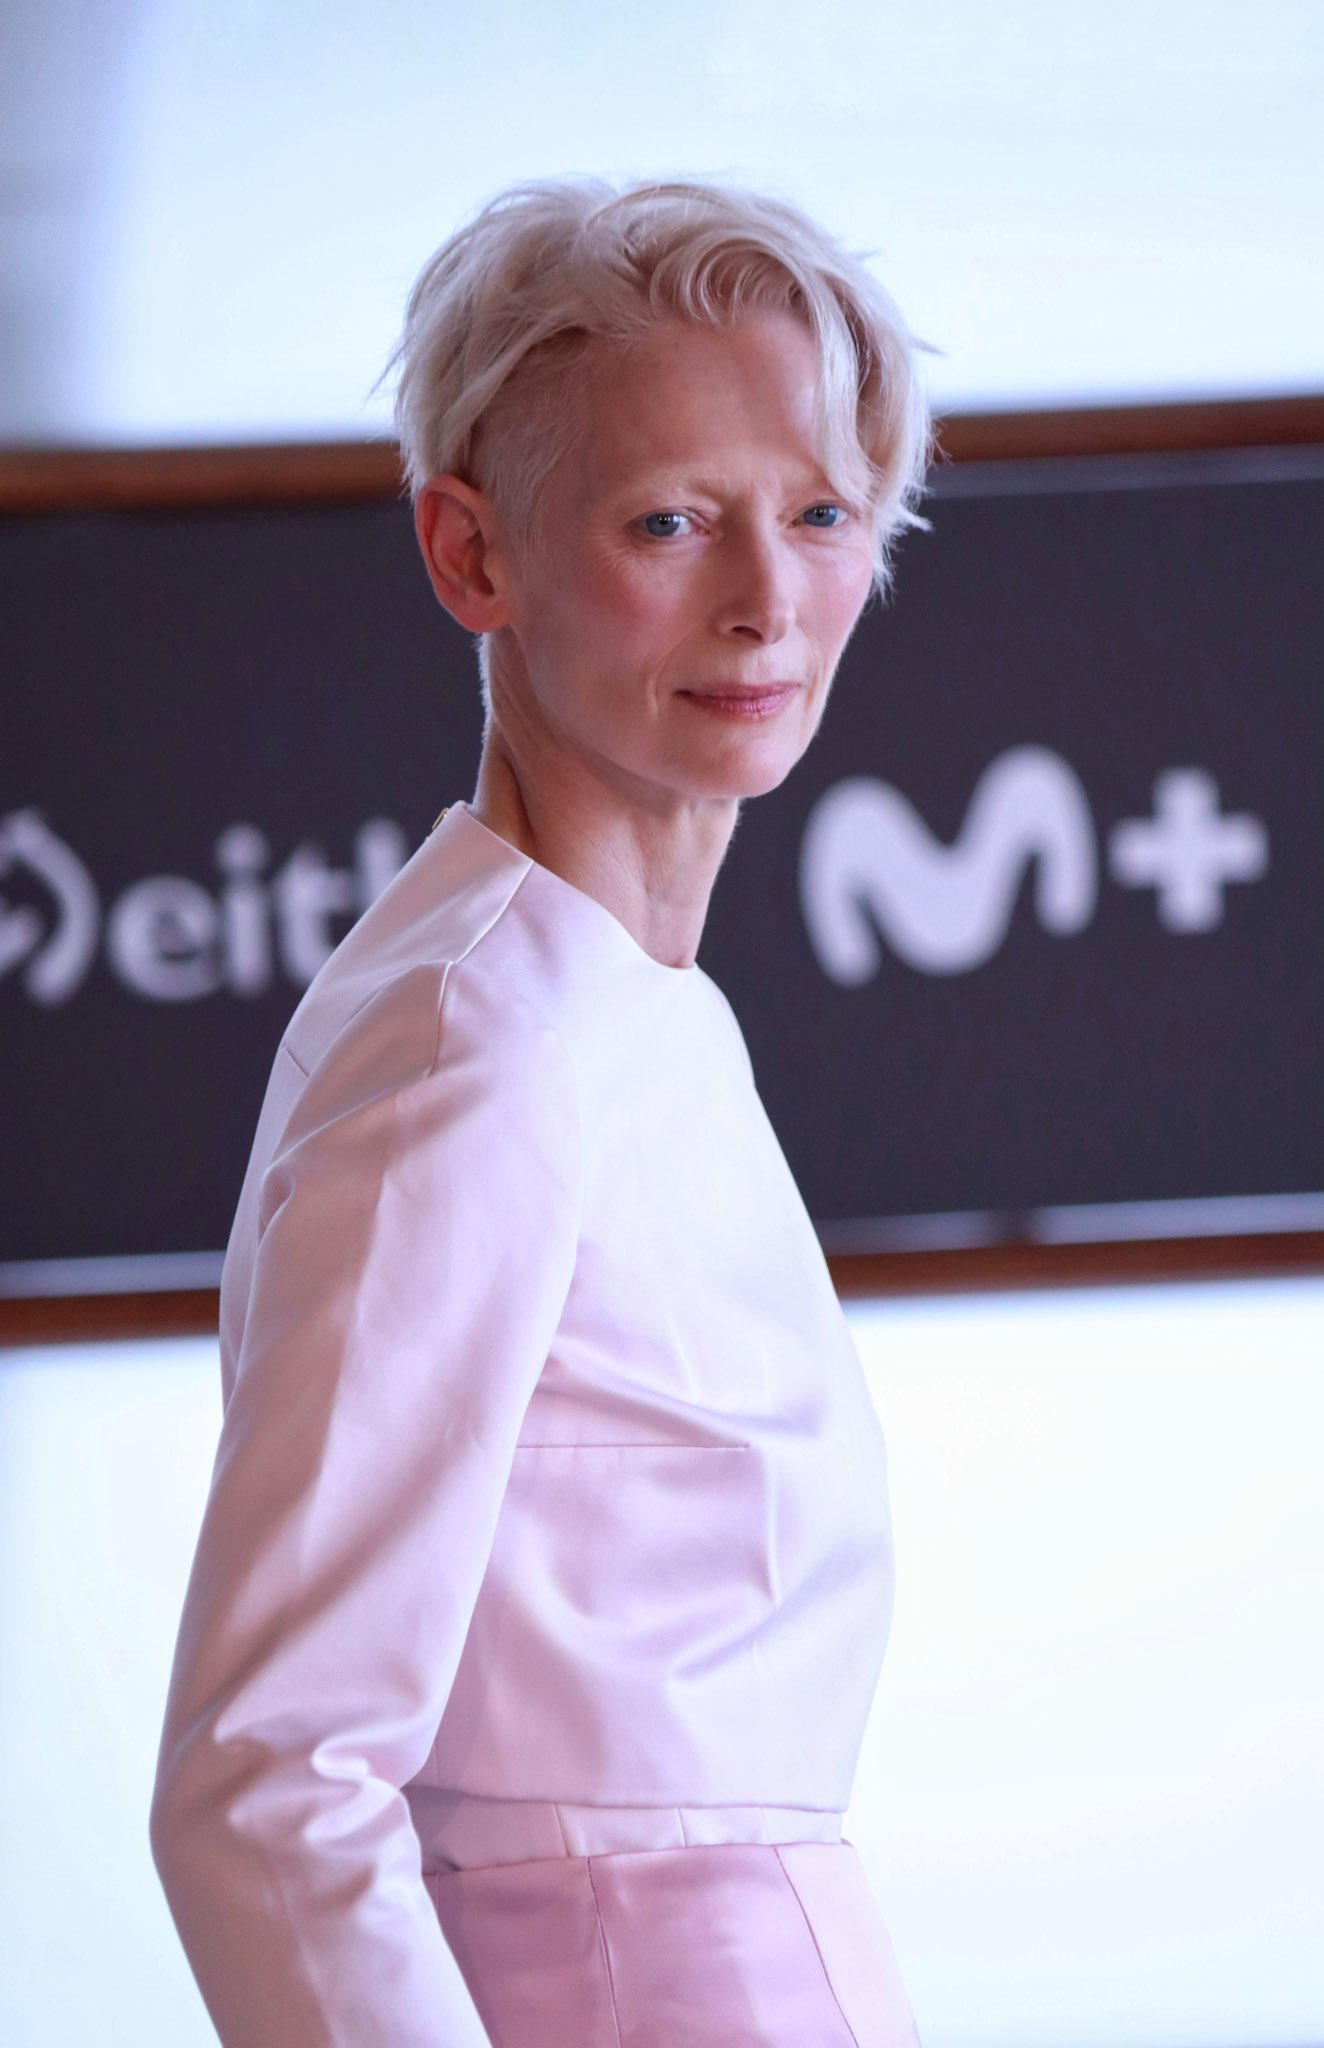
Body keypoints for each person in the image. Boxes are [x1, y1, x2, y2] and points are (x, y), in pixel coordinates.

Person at [150, 176, 932, 2048]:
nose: (766, 601)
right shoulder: (475, 1042)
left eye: (819, 512)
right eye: (670, 519)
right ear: (470, 555)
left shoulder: (622, 1006)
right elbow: (267, 1786)